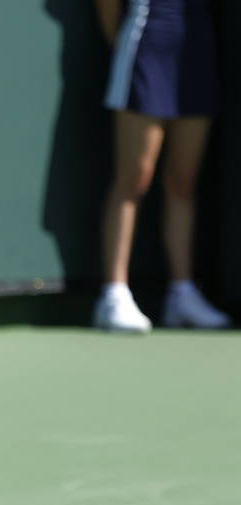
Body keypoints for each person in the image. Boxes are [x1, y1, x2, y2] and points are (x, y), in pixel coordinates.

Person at [93, 0, 230, 332]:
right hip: (146, 42)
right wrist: (122, 43)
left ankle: (182, 294)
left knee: (183, 181)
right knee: (135, 178)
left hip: (196, 48)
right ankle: (114, 293)